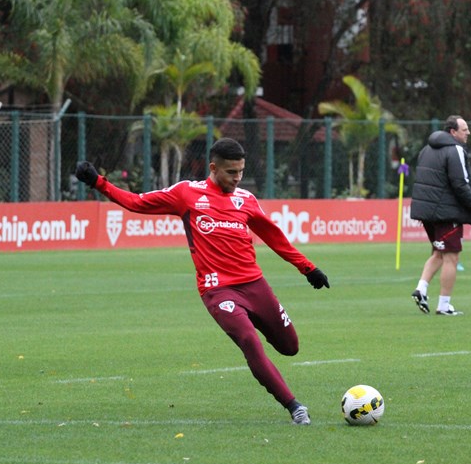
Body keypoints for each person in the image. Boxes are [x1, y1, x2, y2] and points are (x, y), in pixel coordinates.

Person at [75, 138, 330, 425]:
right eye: (231, 172)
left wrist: (308, 269)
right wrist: (99, 182)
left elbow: (274, 236)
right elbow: (138, 202)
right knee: (249, 340)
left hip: (255, 285)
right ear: (213, 168)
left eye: (241, 172)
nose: (238, 178)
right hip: (218, 290)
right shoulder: (187, 194)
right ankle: (294, 406)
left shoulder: (245, 199)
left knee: (290, 346)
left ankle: (282, 373)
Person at [409, 115, 471, 315]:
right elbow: (460, 184)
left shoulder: (426, 149)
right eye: (464, 129)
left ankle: (421, 289)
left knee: (438, 253)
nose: (468, 132)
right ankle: (444, 305)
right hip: (445, 213)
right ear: (453, 132)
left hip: (426, 212)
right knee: (451, 258)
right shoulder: (456, 150)